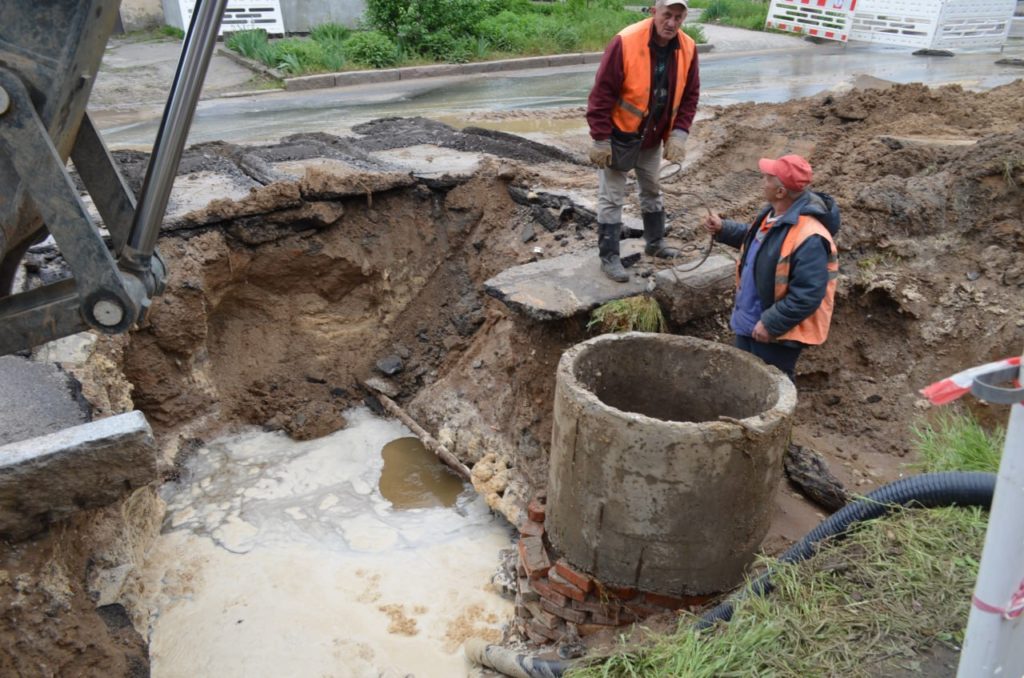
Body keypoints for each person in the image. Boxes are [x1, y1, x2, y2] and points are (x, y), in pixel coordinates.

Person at [586, 0, 701, 282]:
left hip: (652, 137)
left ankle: (655, 242)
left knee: (652, 190)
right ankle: (610, 256)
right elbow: (601, 95)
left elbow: (690, 96)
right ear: (654, 12)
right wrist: (601, 139)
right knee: (612, 197)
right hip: (619, 136)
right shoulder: (625, 42)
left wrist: (679, 134)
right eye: (667, 15)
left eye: (678, 17)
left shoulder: (688, 47)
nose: (671, 23)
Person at [702, 154, 838, 381]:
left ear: (781, 192)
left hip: (775, 333)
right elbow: (762, 243)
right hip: (750, 320)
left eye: (767, 179)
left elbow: (808, 294)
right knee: (743, 380)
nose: (762, 182)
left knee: (771, 384)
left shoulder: (811, 238)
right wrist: (723, 229)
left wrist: (771, 323)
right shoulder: (775, 214)